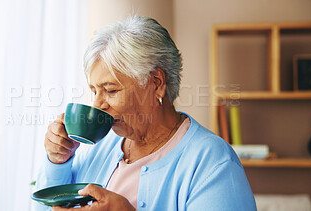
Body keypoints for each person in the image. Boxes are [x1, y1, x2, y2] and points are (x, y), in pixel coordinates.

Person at [35, 15, 257, 211]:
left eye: (110, 90)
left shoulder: (212, 162)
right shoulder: (103, 145)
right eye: (95, 91)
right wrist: (58, 160)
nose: (97, 105)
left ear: (156, 83)